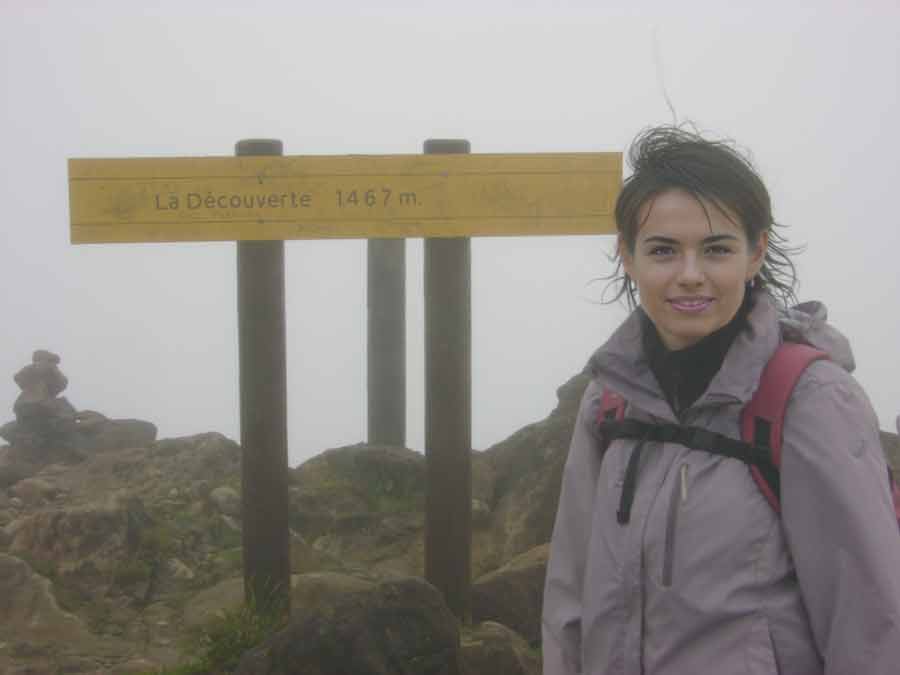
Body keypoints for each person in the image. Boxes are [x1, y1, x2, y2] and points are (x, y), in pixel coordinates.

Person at [542, 126, 900, 674]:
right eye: (663, 250)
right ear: (628, 256)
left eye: (716, 249)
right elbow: (569, 597)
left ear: (755, 253)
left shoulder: (808, 399)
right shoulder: (609, 403)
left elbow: (870, 622)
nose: (690, 276)